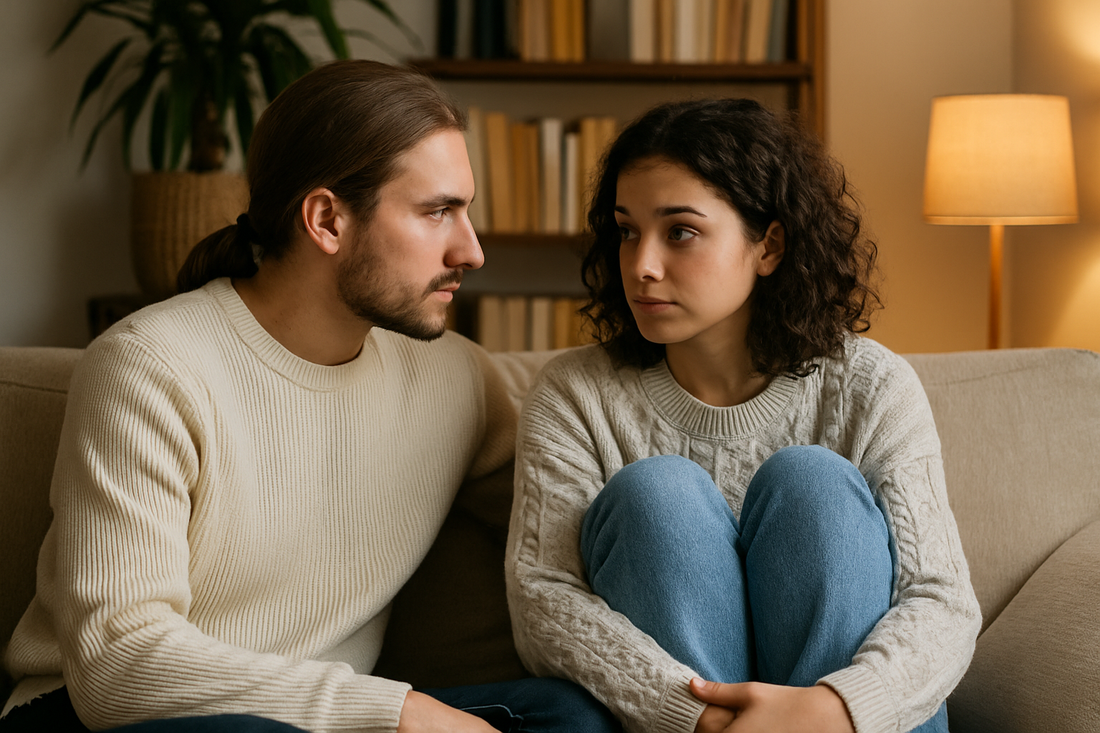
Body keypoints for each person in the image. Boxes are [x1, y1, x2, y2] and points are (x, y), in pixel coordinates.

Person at [0, 61, 618, 733]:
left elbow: (577, 506)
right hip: (100, 719)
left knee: (570, 715)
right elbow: (118, 663)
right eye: (437, 211)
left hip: (317, 722)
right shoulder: (149, 366)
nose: (470, 249)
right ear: (326, 219)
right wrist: (397, 709)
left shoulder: (455, 380)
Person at [505, 97, 982, 733]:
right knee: (657, 492)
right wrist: (694, 712)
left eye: (679, 231)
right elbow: (542, 602)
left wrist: (836, 709)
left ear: (769, 246)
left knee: (812, 481)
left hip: (855, 726)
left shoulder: (870, 385)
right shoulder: (576, 394)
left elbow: (942, 601)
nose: (641, 265)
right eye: (626, 231)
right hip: (682, 725)